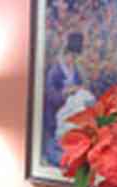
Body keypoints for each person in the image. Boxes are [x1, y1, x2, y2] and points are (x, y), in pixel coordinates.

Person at [43, 33, 84, 165]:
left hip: (70, 114)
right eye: (71, 56)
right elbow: (51, 95)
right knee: (54, 150)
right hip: (55, 115)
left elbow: (79, 85)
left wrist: (78, 91)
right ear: (65, 53)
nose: (72, 60)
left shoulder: (75, 71)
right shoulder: (55, 72)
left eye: (75, 57)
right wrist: (66, 92)